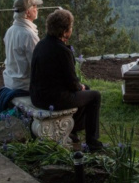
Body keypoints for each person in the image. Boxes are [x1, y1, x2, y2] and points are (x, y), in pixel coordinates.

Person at [29, 9, 104, 151]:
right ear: (64, 31)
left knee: (85, 90)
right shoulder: (62, 51)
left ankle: (72, 130)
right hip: (52, 99)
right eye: (70, 27)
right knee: (94, 96)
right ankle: (92, 141)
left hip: (37, 95)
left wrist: (80, 87)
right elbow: (72, 82)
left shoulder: (41, 45)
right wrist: (79, 86)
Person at [0, 0, 43, 113]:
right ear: (28, 12)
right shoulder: (28, 35)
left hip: (10, 81)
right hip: (23, 85)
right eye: (34, 6)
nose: (37, 8)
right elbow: (36, 65)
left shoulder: (11, 30)